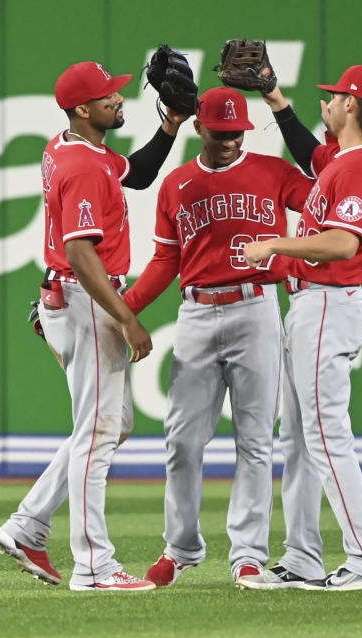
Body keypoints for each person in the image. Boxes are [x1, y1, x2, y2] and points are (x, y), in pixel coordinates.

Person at [0, 60, 189, 592]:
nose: (119, 100)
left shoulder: (76, 147)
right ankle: (95, 566)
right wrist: (126, 318)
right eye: (109, 97)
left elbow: (139, 173)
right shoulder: (81, 165)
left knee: (109, 424)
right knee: (99, 433)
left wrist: (169, 125)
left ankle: (28, 524)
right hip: (87, 295)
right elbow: (81, 253)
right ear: (82, 109)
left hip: (73, 296)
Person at [122, 87, 313, 588]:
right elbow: (166, 261)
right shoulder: (177, 183)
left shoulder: (274, 172)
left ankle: (247, 554)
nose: (229, 140)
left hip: (256, 308)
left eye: (236, 133)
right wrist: (124, 311)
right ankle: (181, 548)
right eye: (220, 131)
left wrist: (280, 104)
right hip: (197, 313)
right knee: (182, 440)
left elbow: (323, 193)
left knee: (254, 440)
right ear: (198, 128)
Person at [240, 65, 362, 591]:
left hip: (328, 302)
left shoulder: (360, 168)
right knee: (300, 442)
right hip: (313, 305)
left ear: (352, 105)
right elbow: (311, 153)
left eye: (332, 97)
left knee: (327, 438)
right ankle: (303, 556)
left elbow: (342, 243)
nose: (324, 102)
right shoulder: (348, 159)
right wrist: (274, 97)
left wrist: (274, 244)